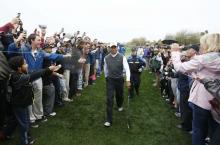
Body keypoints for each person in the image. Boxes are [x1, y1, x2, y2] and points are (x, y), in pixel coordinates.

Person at [171, 33, 220, 145]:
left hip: (201, 101)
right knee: (214, 132)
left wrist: (174, 52)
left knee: (198, 130)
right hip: (217, 101)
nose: (201, 46)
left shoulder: (202, 59)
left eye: (203, 44)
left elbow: (179, 67)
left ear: (209, 44)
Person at [0, 56, 60, 145]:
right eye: (24, 63)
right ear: (19, 68)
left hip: (20, 103)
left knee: (15, 120)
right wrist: (48, 69)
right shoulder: (18, 77)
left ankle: (4, 135)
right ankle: (25, 142)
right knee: (24, 124)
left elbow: (34, 72)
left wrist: (49, 70)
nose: (27, 65)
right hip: (19, 104)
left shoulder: (19, 73)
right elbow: (33, 75)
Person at [103, 44, 131, 127]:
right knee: (109, 99)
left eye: (114, 47)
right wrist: (106, 77)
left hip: (119, 79)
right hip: (110, 80)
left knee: (119, 95)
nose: (113, 49)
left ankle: (119, 105)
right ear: (110, 48)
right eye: (112, 47)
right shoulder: (106, 58)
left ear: (117, 48)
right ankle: (109, 120)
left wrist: (128, 80)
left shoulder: (122, 57)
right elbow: (105, 69)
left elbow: (127, 69)